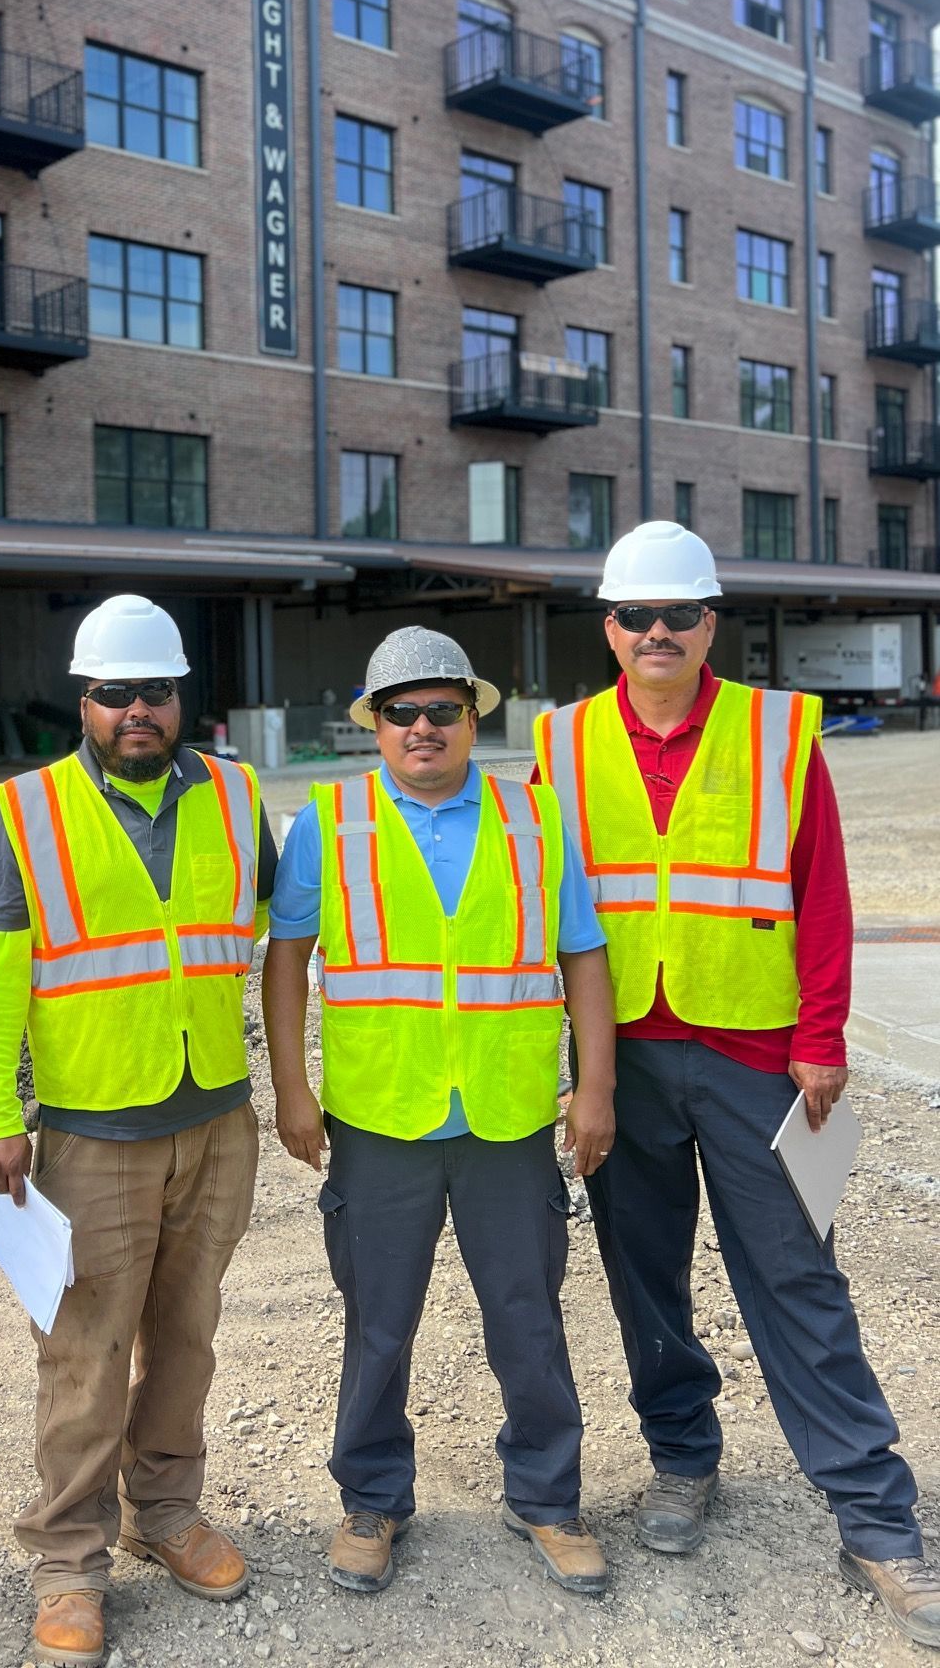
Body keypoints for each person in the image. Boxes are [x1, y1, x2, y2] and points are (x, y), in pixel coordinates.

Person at [534, 520, 940, 1649]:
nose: (656, 633)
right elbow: (540, 910)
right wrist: (573, 1072)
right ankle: (681, 1457)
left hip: (760, 1053)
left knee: (797, 1277)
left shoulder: (777, 731)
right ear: (607, 629)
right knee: (644, 1271)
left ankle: (876, 1515)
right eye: (635, 616)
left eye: (678, 615)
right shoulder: (560, 747)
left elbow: (825, 890)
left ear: (712, 623)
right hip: (622, 1056)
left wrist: (822, 1035)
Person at [263, 627, 617, 1599]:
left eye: (442, 711)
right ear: (372, 726)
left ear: (471, 718)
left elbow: (582, 955)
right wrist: (292, 1089)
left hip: (505, 1118)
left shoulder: (533, 818)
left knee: (527, 1317)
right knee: (378, 1321)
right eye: (402, 713)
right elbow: (288, 958)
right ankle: (372, 1500)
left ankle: (547, 1498)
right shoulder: (327, 824)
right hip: (381, 1119)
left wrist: (594, 1087)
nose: (424, 729)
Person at [0, 594, 278, 1668]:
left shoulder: (237, 795)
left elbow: (290, 932)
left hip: (216, 1115)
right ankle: (68, 1562)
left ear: (181, 696)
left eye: (156, 692)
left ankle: (168, 1513)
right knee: (85, 1351)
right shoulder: (29, 812)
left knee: (188, 1335)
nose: (138, 711)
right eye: (115, 695)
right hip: (94, 1130)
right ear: (83, 702)